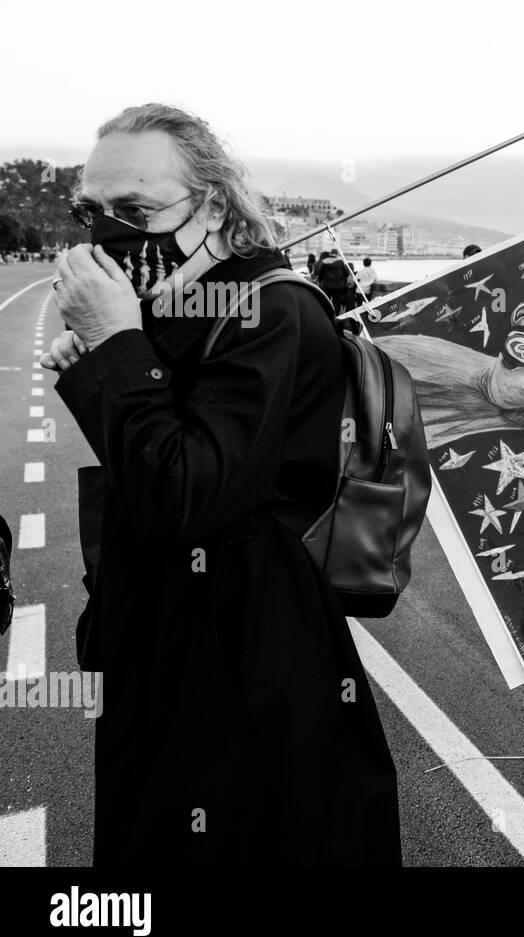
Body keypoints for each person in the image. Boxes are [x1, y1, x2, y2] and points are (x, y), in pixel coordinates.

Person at [44, 103, 399, 865]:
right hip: (167, 645)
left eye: (136, 210)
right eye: (93, 211)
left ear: (211, 205)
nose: (109, 233)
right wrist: (102, 369)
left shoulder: (267, 309)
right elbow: (152, 469)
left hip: (243, 656)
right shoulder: (172, 300)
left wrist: (115, 343)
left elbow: (185, 497)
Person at [314, 248, 353, 315]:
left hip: (326, 285)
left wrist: (320, 281)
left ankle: (327, 314)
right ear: (337, 254)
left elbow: (319, 273)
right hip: (339, 286)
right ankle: (336, 316)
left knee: (326, 301)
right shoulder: (340, 262)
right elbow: (346, 273)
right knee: (337, 302)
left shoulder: (324, 261)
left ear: (330, 253)